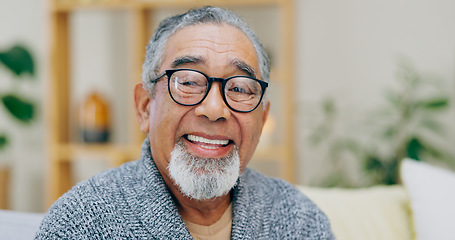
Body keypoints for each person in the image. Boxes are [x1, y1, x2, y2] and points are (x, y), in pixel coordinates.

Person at [35, 6, 335, 239]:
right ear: (144, 107)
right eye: (189, 81)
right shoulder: (80, 222)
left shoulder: (298, 219)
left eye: (240, 88)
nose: (215, 108)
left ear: (263, 118)